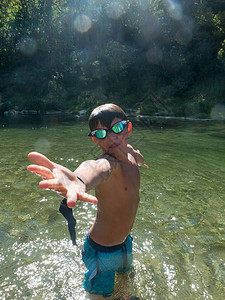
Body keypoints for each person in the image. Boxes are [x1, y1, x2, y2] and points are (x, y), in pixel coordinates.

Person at [27, 103, 148, 298]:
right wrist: (77, 181)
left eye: (117, 128)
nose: (110, 137)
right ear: (95, 141)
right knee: (100, 294)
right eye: (101, 134)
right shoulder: (107, 164)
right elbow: (93, 168)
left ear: (129, 129)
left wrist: (142, 161)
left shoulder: (131, 154)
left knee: (126, 280)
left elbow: (137, 156)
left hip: (125, 242)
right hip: (103, 251)